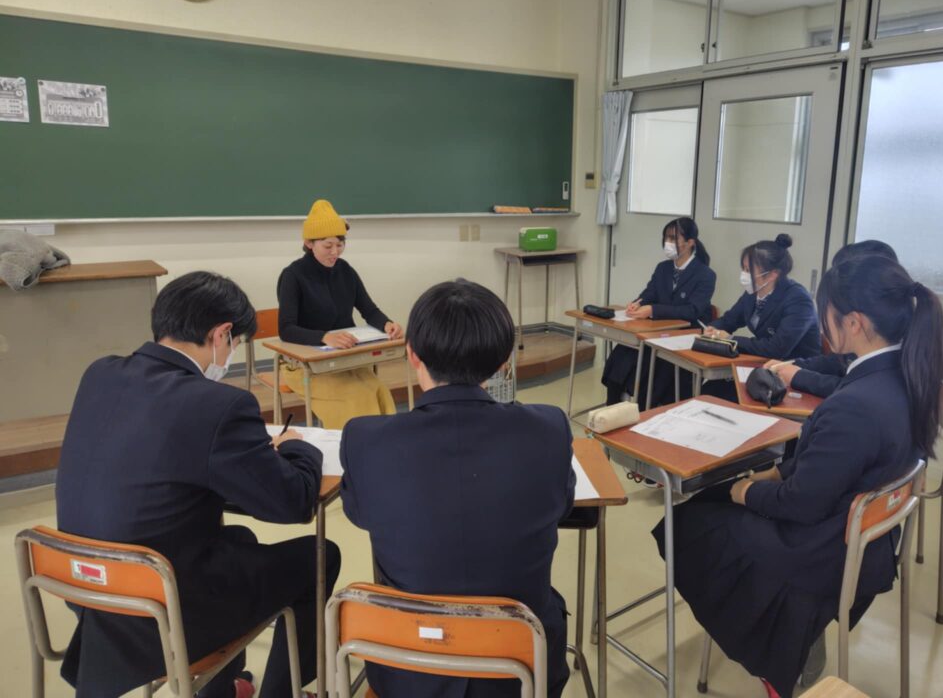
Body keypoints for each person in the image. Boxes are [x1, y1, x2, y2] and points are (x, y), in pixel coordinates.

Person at [652, 254, 943, 698]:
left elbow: (800, 504)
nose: (823, 321)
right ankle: (781, 637)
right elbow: (835, 468)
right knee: (716, 499)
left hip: (821, 550)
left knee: (688, 521)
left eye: (827, 312)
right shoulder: (907, 377)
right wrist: (773, 473)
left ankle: (779, 648)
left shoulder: (856, 404)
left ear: (854, 323)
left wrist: (743, 490)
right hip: (867, 543)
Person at [56, 271, 340, 698]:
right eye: (235, 342)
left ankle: (221, 688)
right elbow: (292, 503)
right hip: (160, 607)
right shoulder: (219, 404)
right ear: (221, 334)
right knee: (320, 556)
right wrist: (298, 447)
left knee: (238, 539)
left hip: (85, 589)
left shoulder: (100, 373)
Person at [340, 279, 574, 698]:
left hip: (407, 669)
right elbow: (564, 504)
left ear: (412, 353)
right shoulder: (549, 428)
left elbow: (359, 514)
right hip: (519, 667)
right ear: (503, 361)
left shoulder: (365, 439)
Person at [277, 199, 403, 428]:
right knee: (356, 397)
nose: (335, 252)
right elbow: (286, 329)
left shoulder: (345, 271)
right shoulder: (293, 276)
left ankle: (382, 445)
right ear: (309, 243)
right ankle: (351, 446)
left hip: (345, 358)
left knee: (380, 391)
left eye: (340, 244)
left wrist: (387, 324)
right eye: (328, 246)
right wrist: (325, 337)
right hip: (306, 365)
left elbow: (369, 310)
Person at [602, 217, 716, 408]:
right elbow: (650, 293)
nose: (668, 243)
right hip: (658, 331)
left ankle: (643, 410)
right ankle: (613, 406)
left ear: (690, 243)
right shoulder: (663, 268)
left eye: (673, 238)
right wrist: (637, 304)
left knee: (656, 366)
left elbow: (692, 310)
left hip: (684, 335)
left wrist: (653, 310)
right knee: (623, 352)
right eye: (666, 238)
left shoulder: (705, 274)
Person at [766, 240, 898, 398]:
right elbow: (837, 362)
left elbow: (859, 390)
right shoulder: (866, 336)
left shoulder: (892, 350)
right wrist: (791, 365)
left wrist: (800, 377)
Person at [703, 233, 820, 360]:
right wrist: (712, 329)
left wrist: (730, 339)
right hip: (764, 361)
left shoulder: (799, 300)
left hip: (795, 366)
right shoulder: (753, 292)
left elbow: (776, 349)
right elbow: (729, 320)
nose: (744, 275)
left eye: (749, 270)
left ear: (773, 274)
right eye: (743, 268)